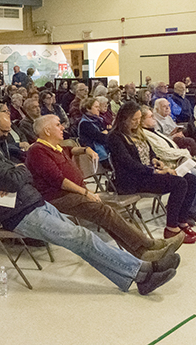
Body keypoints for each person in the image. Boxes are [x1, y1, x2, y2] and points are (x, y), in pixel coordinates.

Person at [0, 116, 179, 295]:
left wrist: (16, 173)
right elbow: (17, 177)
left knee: (84, 238)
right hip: (21, 215)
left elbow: (19, 173)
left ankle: (140, 271)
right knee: (81, 237)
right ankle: (142, 271)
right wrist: (17, 174)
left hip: (35, 203)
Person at [27, 115, 182, 260]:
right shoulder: (37, 150)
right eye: (58, 125)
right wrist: (86, 192)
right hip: (58, 197)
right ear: (47, 131)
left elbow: (69, 149)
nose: (62, 127)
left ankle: (143, 254)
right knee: (104, 211)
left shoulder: (55, 147)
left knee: (106, 215)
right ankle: (149, 245)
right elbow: (59, 180)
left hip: (70, 193)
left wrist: (85, 149)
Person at [107, 102, 196, 243]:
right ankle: (171, 228)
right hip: (134, 179)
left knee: (191, 179)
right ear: (124, 119)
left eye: (138, 119)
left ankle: (182, 220)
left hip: (148, 173)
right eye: (134, 120)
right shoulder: (115, 137)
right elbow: (128, 163)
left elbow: (150, 152)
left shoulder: (138, 132)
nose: (137, 123)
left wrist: (156, 161)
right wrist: (154, 171)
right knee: (179, 183)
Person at [78, 97, 109, 165]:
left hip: (106, 150)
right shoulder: (85, 124)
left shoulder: (98, 120)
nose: (99, 109)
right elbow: (101, 138)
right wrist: (105, 133)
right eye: (96, 107)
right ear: (88, 109)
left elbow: (105, 133)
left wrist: (105, 133)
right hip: (98, 155)